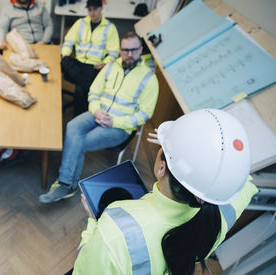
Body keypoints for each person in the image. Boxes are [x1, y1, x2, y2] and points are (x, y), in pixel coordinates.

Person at [72, 108, 258, 274]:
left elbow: (84, 268)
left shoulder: (113, 235)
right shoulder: (229, 204)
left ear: (162, 168)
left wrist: (92, 225)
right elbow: (241, 178)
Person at [39, 32, 159, 203]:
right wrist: (95, 110)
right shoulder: (110, 67)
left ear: (141, 49)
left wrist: (115, 121)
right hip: (98, 114)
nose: (129, 54)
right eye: (125, 50)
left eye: (134, 50)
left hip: (120, 127)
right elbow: (94, 92)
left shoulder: (149, 78)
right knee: (72, 126)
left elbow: (144, 114)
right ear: (120, 50)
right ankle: (67, 184)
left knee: (81, 141)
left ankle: (66, 184)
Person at [61, 0, 120, 116]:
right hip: (78, 63)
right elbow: (68, 41)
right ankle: (88, 84)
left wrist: (105, 62)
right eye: (90, 9)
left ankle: (76, 117)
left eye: (95, 9)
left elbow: (114, 53)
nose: (92, 13)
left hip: (94, 66)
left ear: (101, 9)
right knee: (65, 60)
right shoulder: (80, 23)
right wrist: (66, 53)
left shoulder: (110, 28)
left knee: (80, 90)